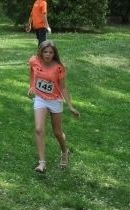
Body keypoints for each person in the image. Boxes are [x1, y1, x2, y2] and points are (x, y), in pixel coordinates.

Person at [27, 40, 80, 174]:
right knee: (39, 129)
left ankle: (64, 152)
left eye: (51, 52)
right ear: (41, 51)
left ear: (54, 54)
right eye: (45, 52)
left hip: (55, 100)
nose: (48, 54)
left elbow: (63, 87)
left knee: (57, 132)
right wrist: (32, 86)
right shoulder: (34, 60)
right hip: (40, 98)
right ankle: (42, 163)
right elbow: (32, 73)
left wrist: (70, 106)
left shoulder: (59, 67)